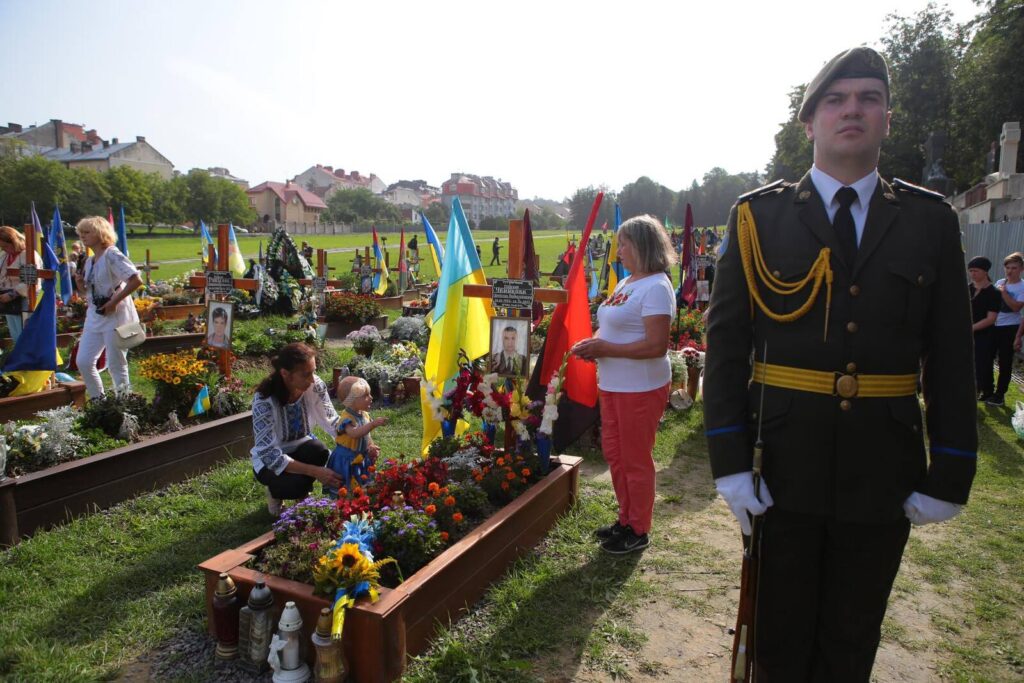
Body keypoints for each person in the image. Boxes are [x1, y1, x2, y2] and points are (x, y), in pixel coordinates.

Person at [703, 47, 976, 681]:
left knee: (852, 641)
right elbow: (726, 348)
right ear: (810, 123)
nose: (852, 109)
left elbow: (951, 356)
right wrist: (730, 462)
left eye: (868, 99)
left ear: (887, 120)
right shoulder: (758, 217)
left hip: (883, 468)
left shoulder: (931, 222)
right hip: (782, 465)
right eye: (836, 99)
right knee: (778, 640)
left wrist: (951, 468)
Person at [572, 215, 676, 554]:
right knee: (615, 454)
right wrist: (593, 342)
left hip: (640, 388)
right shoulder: (627, 282)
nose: (618, 251)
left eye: (624, 244)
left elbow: (656, 346)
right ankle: (625, 518)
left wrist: (605, 348)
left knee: (635, 459)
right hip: (614, 384)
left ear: (642, 246)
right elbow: (611, 325)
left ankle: (638, 529)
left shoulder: (657, 287)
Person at [251, 342, 343, 516]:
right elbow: (269, 454)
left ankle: (301, 494)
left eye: (313, 371)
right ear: (285, 374)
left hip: (301, 447)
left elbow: (332, 420)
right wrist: (315, 472)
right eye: (306, 374)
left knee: (320, 451)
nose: (312, 379)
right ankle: (276, 492)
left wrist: (362, 441)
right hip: (269, 461)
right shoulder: (264, 400)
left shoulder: (314, 385)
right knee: (294, 484)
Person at [72, 217, 143, 398]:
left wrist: (113, 302)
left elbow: (135, 280)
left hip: (116, 315)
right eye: (81, 233)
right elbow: (89, 293)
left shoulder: (112, 255)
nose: (82, 236)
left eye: (87, 232)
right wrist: (80, 284)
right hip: (95, 316)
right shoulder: (89, 261)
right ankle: (98, 401)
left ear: (100, 233)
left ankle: (124, 402)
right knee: (84, 361)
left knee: (116, 364)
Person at [326, 376, 387, 495]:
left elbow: (366, 435)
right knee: (346, 487)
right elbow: (355, 433)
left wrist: (371, 446)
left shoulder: (364, 415)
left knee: (361, 485)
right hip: (346, 459)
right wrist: (372, 424)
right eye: (366, 395)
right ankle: (344, 502)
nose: (371, 397)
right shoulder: (347, 418)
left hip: (360, 457)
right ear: (352, 400)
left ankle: (359, 502)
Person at [986, 252, 1024, 406]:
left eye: (1014, 268)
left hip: (1010, 328)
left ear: (1021, 269)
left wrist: (1004, 293)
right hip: (993, 325)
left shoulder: (1022, 287)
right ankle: (988, 390)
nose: (1010, 271)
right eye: (1007, 268)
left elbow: (1016, 308)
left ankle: (1000, 395)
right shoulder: (1000, 282)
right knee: (986, 358)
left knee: (1005, 362)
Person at [0, 225, 42, 341]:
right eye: (1, 247)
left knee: (25, 335)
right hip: (8, 302)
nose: (3, 249)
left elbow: (30, 280)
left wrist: (12, 294)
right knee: (15, 335)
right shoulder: (4, 255)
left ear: (14, 242)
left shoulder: (28, 255)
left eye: (5, 246)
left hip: (26, 300)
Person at [967, 256, 1000, 401]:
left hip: (984, 334)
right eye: (970, 271)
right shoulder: (967, 289)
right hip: (966, 333)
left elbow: (991, 318)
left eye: (976, 270)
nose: (972, 274)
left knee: (981, 364)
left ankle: (981, 392)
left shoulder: (994, 293)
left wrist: (971, 328)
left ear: (985, 271)